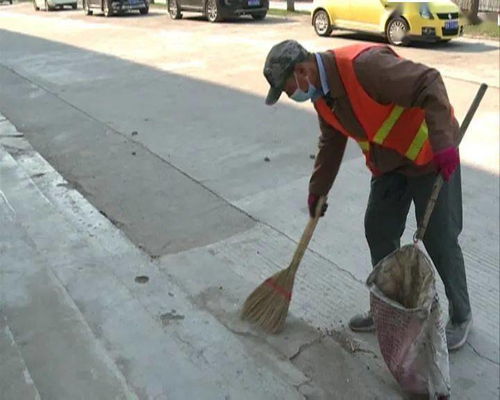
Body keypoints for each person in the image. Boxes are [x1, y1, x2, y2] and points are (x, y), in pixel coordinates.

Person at [263, 39, 472, 351]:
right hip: (389, 164)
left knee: (440, 237)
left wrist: (443, 143)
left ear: (302, 71)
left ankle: (461, 315)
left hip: (429, 155)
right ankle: (387, 308)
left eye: (287, 87)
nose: (291, 95)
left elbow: (429, 81)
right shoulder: (321, 95)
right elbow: (331, 141)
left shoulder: (365, 66)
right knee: (378, 229)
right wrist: (318, 190)